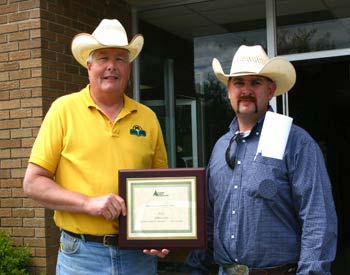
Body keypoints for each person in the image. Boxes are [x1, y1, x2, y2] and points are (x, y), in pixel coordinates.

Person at [23, 19, 169, 275]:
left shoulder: (147, 117)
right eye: (103, 58)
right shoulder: (63, 110)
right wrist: (88, 203)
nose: (112, 66)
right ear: (89, 67)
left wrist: (162, 234)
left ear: (129, 67)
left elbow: (160, 188)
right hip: (81, 256)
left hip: (138, 258)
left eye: (120, 59)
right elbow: (33, 183)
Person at [186, 45, 337, 275]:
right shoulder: (220, 147)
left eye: (255, 82)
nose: (246, 90)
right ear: (228, 90)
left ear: (271, 90)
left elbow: (318, 219)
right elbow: (209, 218)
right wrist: (196, 267)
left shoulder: (296, 142)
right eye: (239, 82)